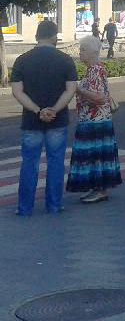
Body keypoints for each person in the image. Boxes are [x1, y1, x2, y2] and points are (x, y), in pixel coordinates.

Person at [10, 20, 78, 216]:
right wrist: (54, 110)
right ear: (55, 36)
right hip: (57, 120)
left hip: (31, 121)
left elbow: (17, 91)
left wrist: (37, 110)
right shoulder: (66, 60)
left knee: (29, 163)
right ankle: (54, 205)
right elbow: (70, 90)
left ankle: (24, 208)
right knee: (56, 162)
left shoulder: (22, 60)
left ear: (36, 36)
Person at [66, 35, 122, 204]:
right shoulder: (93, 69)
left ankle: (100, 190)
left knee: (96, 155)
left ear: (92, 52)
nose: (80, 52)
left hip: (96, 121)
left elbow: (100, 98)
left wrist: (78, 89)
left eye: (83, 50)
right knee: (94, 156)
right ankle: (96, 187)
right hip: (93, 119)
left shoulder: (95, 70)